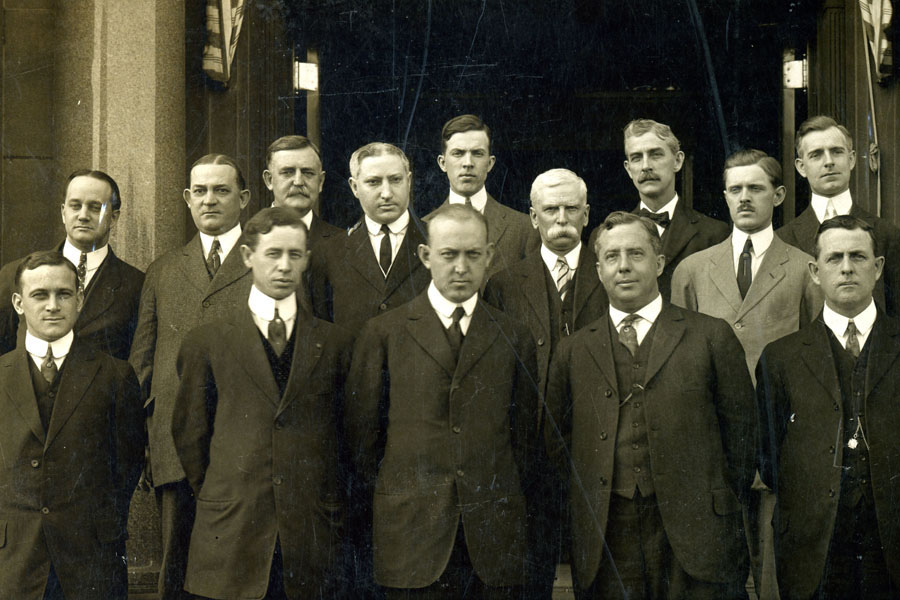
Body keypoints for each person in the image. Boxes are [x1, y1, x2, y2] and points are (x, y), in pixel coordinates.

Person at [547, 211, 756, 599]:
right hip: (608, 536)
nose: (623, 266)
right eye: (611, 257)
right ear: (598, 269)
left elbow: (743, 439)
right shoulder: (573, 349)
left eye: (636, 254)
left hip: (697, 533)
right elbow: (558, 443)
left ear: (659, 264)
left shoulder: (710, 336)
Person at [346, 204, 540, 599]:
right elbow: (363, 442)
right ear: (425, 256)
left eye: (473, 255)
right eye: (449, 255)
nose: (461, 268)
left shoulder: (514, 335)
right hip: (411, 537)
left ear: (488, 257)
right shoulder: (384, 333)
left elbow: (522, 442)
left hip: (491, 540)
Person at [173, 207, 352, 599]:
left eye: (294, 254)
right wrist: (231, 490)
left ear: (306, 259)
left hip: (310, 534)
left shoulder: (337, 344)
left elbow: (348, 440)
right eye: (273, 254)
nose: (284, 265)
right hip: (232, 530)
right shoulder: (207, 342)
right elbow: (191, 437)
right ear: (247, 256)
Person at [671, 149, 822, 600]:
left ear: (778, 195)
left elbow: (815, 357)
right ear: (724, 196)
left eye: (755, 188)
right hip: (712, 435)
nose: (744, 197)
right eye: (735, 189)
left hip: (779, 435)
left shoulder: (804, 269)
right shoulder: (693, 270)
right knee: (717, 565)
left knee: (776, 563)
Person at [129, 153, 253, 600]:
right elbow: (142, 362)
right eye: (199, 191)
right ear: (186, 198)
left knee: (241, 575)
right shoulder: (163, 269)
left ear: (243, 198)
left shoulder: (264, 264)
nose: (209, 200)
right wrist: (144, 434)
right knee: (177, 574)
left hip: (242, 446)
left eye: (221, 190)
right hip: (174, 444)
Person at [758, 215, 900, 599]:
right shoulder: (781, 358)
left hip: (892, 548)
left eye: (858, 257)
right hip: (813, 550)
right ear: (814, 271)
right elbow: (770, 459)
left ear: (879, 267)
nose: (847, 268)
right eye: (834, 258)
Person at [483, 168, 607, 598]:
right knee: (532, 568)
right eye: (550, 210)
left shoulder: (613, 273)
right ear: (532, 217)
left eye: (571, 209)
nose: (561, 219)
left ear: (587, 214)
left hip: (598, 441)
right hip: (530, 449)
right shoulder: (502, 284)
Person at [0, 251, 144, 599]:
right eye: (40, 295)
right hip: (13, 561)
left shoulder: (114, 375)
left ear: (79, 299)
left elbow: (126, 466)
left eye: (64, 294)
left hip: (91, 560)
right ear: (19, 303)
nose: (53, 305)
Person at [0, 169, 144, 359]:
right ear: (63, 212)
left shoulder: (136, 284)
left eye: (95, 207)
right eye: (75, 206)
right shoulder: (14, 273)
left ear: (114, 217)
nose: (83, 215)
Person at [591, 119, 729, 300]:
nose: (646, 166)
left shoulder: (714, 234)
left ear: (678, 161)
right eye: (636, 158)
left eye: (655, 155)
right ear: (628, 169)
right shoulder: (604, 235)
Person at [778, 115, 900, 318]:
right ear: (801, 167)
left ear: (851, 159)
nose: (829, 162)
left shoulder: (886, 234)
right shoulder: (783, 239)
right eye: (816, 155)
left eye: (836, 152)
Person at [309, 142, 430, 331]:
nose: (387, 193)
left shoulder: (437, 243)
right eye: (373, 182)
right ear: (354, 187)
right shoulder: (330, 253)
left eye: (395, 180)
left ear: (409, 181)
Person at [424, 114, 539, 277]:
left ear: (490, 163)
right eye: (458, 153)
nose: (468, 163)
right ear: (442, 163)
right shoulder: (423, 228)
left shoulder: (524, 228)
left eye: (477, 153)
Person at [263, 134, 341, 249]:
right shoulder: (244, 238)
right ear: (269, 180)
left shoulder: (342, 243)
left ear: (320, 182)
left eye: (308, 173)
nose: (298, 182)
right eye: (287, 172)